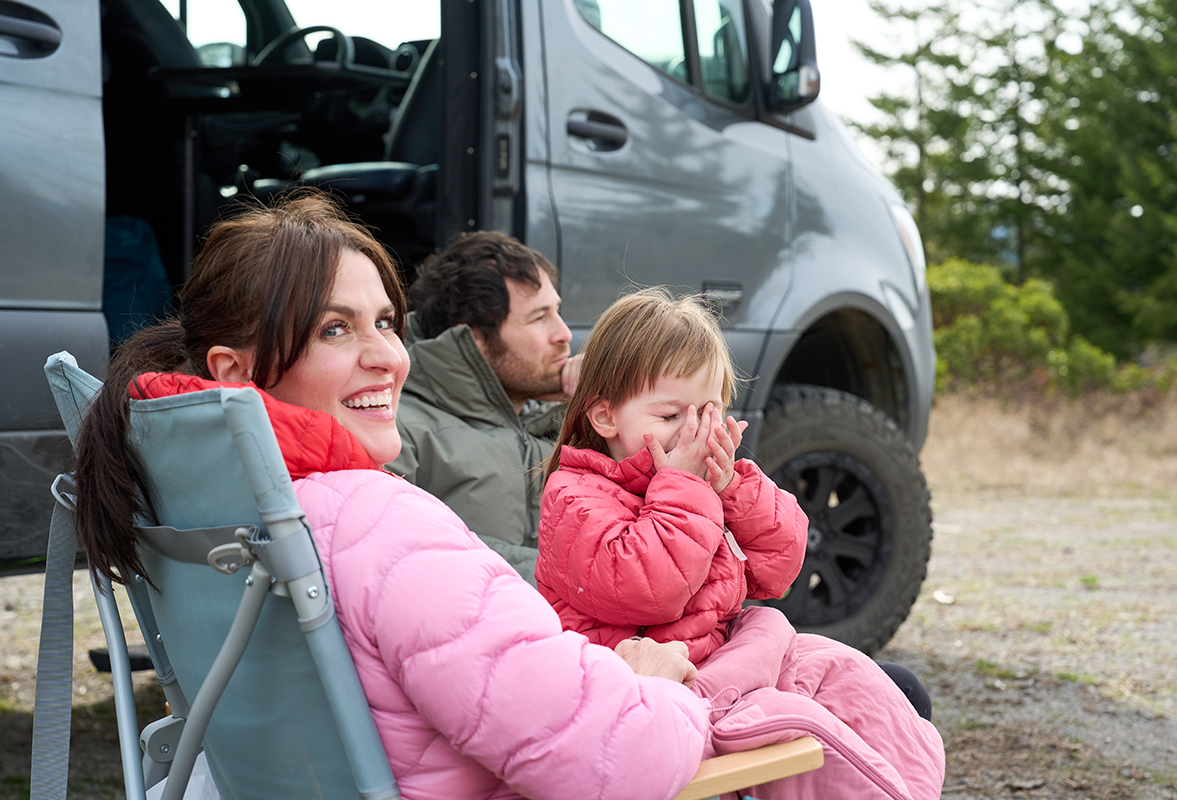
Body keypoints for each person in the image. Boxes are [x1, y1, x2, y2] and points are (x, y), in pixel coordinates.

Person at [72, 194, 709, 800]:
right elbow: (615, 760)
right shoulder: (376, 523)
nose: (387, 357)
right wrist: (649, 687)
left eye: (384, 322)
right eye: (334, 330)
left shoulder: (199, 501)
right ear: (233, 373)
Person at [537, 288, 946, 799]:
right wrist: (684, 489)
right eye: (668, 418)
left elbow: (779, 569)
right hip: (665, 685)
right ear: (604, 418)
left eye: (707, 412)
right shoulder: (575, 496)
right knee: (809, 737)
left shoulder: (705, 482)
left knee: (883, 687)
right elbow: (649, 591)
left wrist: (734, 488)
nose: (692, 432)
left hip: (732, 656)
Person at [387, 232, 577, 583]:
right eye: (539, 318)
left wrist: (606, 401)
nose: (564, 333)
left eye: (557, 312)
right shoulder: (398, 429)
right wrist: (575, 584)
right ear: (475, 342)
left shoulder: (555, 416)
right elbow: (403, 553)